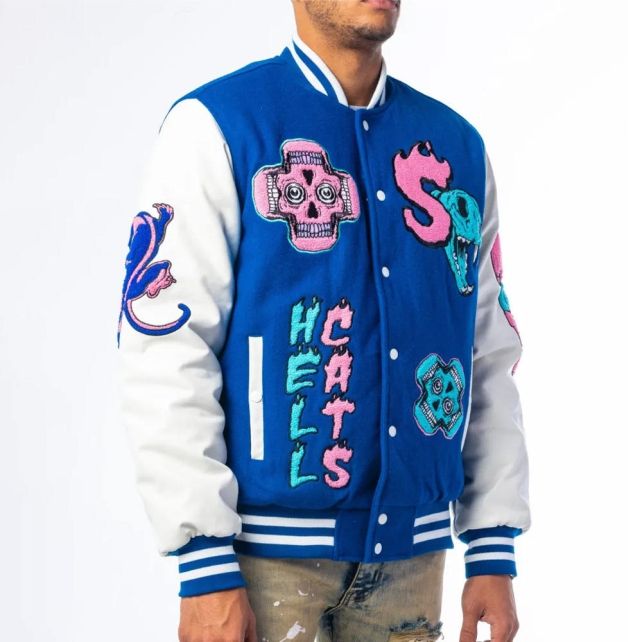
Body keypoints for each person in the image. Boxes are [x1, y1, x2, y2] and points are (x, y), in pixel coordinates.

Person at [116, 1, 531, 640]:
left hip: (413, 563)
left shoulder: (456, 149)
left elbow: (487, 352)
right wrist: (202, 559)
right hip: (261, 566)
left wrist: (491, 545)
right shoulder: (218, 126)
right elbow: (166, 344)